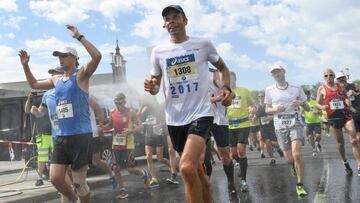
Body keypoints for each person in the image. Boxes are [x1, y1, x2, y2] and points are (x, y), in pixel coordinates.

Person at [144, 5, 232, 203]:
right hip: (174, 118)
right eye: (167, 19)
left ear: (185, 21)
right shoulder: (159, 52)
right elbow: (155, 85)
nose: (171, 21)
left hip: (201, 113)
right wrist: (151, 86)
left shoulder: (203, 44)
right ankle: (208, 196)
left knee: (185, 167)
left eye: (176, 17)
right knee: (196, 170)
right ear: (164, 25)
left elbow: (223, 68)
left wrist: (226, 87)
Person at [19, 24, 102, 203]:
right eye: (58, 56)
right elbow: (33, 84)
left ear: (74, 58)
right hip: (62, 137)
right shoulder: (56, 80)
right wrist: (26, 66)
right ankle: (75, 200)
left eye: (64, 56)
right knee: (55, 178)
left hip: (80, 136)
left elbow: (97, 56)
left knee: (80, 184)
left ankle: (81, 199)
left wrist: (79, 36)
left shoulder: (81, 76)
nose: (60, 59)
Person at [265, 64, 308, 197]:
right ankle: (292, 166)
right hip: (280, 126)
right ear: (272, 76)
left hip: (295, 124)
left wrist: (300, 103)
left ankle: (300, 185)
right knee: (289, 158)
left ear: (284, 71)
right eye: (274, 73)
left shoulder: (296, 88)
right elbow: (267, 109)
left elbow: (307, 107)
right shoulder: (269, 90)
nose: (276, 74)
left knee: (296, 154)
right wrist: (275, 109)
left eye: (278, 71)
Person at [103, 93, 149, 200]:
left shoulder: (131, 112)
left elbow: (141, 126)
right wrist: (101, 128)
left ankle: (144, 173)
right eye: (116, 103)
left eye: (120, 103)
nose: (118, 105)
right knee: (115, 168)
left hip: (128, 145)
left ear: (124, 102)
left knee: (130, 169)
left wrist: (131, 131)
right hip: (116, 144)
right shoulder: (112, 112)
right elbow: (110, 125)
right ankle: (122, 190)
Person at [316, 68, 360, 176]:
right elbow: (317, 103)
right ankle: (345, 162)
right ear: (324, 77)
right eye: (326, 76)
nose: (329, 77)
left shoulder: (339, 86)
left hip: (346, 115)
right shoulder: (321, 88)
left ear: (333, 76)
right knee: (340, 143)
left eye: (331, 75)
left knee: (354, 140)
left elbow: (345, 97)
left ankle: (359, 165)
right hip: (333, 118)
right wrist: (322, 106)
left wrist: (348, 102)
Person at [207, 68, 236, 197]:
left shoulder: (216, 73)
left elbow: (231, 94)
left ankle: (231, 183)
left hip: (219, 120)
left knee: (224, 155)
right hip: (200, 119)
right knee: (202, 156)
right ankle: (205, 185)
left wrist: (219, 98)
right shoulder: (189, 73)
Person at [227, 71, 254, 192]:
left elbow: (252, 104)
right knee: (233, 154)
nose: (230, 80)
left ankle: (243, 180)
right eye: (228, 78)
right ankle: (242, 164)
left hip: (243, 124)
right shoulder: (223, 92)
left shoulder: (244, 90)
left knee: (241, 150)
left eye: (232, 78)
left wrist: (252, 109)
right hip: (230, 126)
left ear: (235, 79)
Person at [138, 95, 171, 188]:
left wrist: (160, 125)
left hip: (157, 134)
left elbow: (163, 119)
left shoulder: (158, 109)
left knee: (160, 158)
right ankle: (154, 178)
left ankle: (172, 167)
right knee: (148, 156)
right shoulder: (145, 109)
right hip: (148, 135)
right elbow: (137, 117)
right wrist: (141, 107)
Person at [25, 92, 52, 187]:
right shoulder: (36, 100)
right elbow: (27, 110)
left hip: (54, 132)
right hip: (41, 133)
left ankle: (55, 176)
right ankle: (40, 178)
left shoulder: (51, 95)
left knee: (57, 157)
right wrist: (29, 98)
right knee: (42, 157)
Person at [255, 92, 283, 166]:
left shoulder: (269, 105)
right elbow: (256, 117)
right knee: (267, 142)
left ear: (265, 97)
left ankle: (278, 148)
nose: (261, 98)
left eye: (262, 96)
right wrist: (253, 117)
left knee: (274, 143)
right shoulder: (257, 107)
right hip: (263, 128)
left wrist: (269, 118)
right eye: (259, 96)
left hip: (271, 126)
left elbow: (276, 115)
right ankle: (272, 158)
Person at [88, 96, 113, 180]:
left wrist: (101, 125)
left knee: (96, 161)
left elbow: (99, 110)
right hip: (79, 134)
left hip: (93, 134)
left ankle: (111, 174)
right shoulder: (70, 98)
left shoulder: (87, 97)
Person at [335, 71, 360, 142]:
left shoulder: (354, 85)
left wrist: (356, 94)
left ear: (346, 78)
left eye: (342, 77)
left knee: (357, 138)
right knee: (355, 139)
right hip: (348, 117)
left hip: (358, 113)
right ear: (336, 80)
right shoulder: (336, 90)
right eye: (339, 78)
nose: (341, 79)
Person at [300, 90, 322, 157]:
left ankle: (316, 142)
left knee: (318, 136)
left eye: (307, 95)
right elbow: (301, 113)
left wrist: (316, 113)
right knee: (310, 136)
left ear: (310, 95)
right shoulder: (303, 104)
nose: (306, 97)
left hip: (316, 122)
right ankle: (314, 149)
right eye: (305, 96)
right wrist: (304, 115)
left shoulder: (315, 102)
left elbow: (320, 112)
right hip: (308, 122)